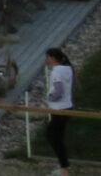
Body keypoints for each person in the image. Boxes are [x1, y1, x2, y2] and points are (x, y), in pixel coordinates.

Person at [45, 46, 74, 176]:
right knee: (58, 137)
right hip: (68, 106)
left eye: (48, 57)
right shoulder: (68, 68)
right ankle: (63, 166)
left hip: (59, 109)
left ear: (52, 58)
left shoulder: (56, 72)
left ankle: (64, 168)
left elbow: (58, 91)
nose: (46, 60)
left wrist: (49, 97)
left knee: (52, 136)